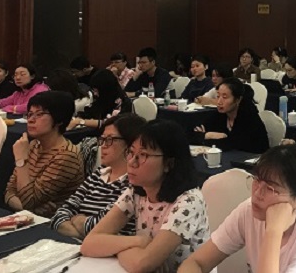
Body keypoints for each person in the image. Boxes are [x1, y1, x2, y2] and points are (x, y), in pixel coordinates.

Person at [177, 145, 296, 273]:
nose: (257, 193)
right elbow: (196, 262)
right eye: (257, 180)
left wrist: (273, 231)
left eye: (271, 189)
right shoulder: (249, 210)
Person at [81, 120, 209, 273]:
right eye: (131, 152)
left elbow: (141, 264)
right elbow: (89, 244)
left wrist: (118, 249)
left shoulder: (189, 201)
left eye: (143, 155)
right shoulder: (135, 192)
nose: (131, 162)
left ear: (169, 163)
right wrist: (139, 242)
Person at [51, 113, 147, 238]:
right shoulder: (99, 174)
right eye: (102, 139)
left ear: (130, 145)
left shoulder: (134, 184)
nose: (103, 146)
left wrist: (77, 220)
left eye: (110, 140)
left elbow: (101, 226)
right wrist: (84, 232)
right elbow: (61, 213)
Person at [5, 91, 85, 216]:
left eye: (39, 114)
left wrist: (21, 160)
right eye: (30, 114)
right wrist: (32, 210)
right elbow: (9, 192)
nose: (31, 120)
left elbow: (29, 201)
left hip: (54, 223)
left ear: (59, 120)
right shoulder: (34, 145)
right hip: (31, 218)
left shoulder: (66, 156)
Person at [192, 78, 269, 154]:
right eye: (218, 96)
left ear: (238, 100)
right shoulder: (220, 114)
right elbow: (193, 134)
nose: (219, 102)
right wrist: (209, 135)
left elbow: (231, 144)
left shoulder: (249, 117)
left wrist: (204, 138)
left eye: (224, 97)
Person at [67, 69, 132, 131]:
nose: (95, 93)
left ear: (106, 89)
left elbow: (110, 123)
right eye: (94, 90)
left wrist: (81, 122)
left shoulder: (124, 103)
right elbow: (89, 113)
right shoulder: (100, 100)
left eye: (96, 91)